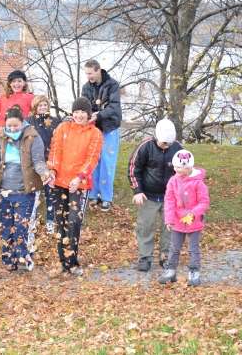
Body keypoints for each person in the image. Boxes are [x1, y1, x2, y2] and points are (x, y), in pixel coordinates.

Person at [0, 106, 50, 272]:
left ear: (22, 123)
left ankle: (23, 256)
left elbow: (38, 162)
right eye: (9, 126)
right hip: (3, 191)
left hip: (24, 191)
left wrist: (45, 173)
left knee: (21, 227)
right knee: (6, 227)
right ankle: (9, 259)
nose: (12, 129)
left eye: (16, 126)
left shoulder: (33, 137)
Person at [47, 98, 103, 276]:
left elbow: (92, 158)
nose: (79, 115)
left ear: (88, 114)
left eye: (82, 112)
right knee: (61, 221)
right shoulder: (63, 128)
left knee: (73, 221)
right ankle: (63, 262)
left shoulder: (95, 133)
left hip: (80, 184)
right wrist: (52, 171)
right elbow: (55, 151)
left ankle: (72, 262)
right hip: (59, 182)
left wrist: (79, 178)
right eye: (76, 112)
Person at [128, 118, 182, 272]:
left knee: (169, 227)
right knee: (145, 226)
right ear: (156, 137)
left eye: (169, 143)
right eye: (164, 143)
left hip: (170, 197)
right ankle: (145, 258)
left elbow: (184, 173)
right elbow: (134, 169)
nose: (166, 145)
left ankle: (166, 256)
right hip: (148, 195)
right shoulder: (145, 146)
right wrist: (137, 190)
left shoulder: (178, 149)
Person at [159, 150, 210, 286]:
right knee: (174, 247)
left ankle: (194, 272)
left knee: (193, 248)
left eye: (179, 167)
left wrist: (193, 213)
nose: (176, 170)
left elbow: (204, 202)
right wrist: (169, 219)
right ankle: (171, 271)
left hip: (194, 221)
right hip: (177, 221)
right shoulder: (173, 181)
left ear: (188, 167)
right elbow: (169, 200)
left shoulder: (198, 183)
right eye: (175, 167)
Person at [81, 59, 122, 212]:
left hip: (110, 128)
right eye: (86, 74)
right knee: (93, 161)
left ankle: (106, 197)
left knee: (107, 162)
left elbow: (114, 107)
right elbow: (85, 105)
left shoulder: (112, 85)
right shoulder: (86, 87)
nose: (88, 76)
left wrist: (98, 115)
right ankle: (93, 194)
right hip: (93, 129)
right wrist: (86, 115)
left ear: (98, 70)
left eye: (90, 73)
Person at [26, 95, 61, 234]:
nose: (43, 107)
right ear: (35, 107)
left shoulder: (54, 121)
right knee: (34, 193)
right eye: (40, 105)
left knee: (50, 193)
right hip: (34, 161)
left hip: (50, 161)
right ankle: (32, 220)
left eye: (45, 105)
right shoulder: (29, 121)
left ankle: (50, 221)